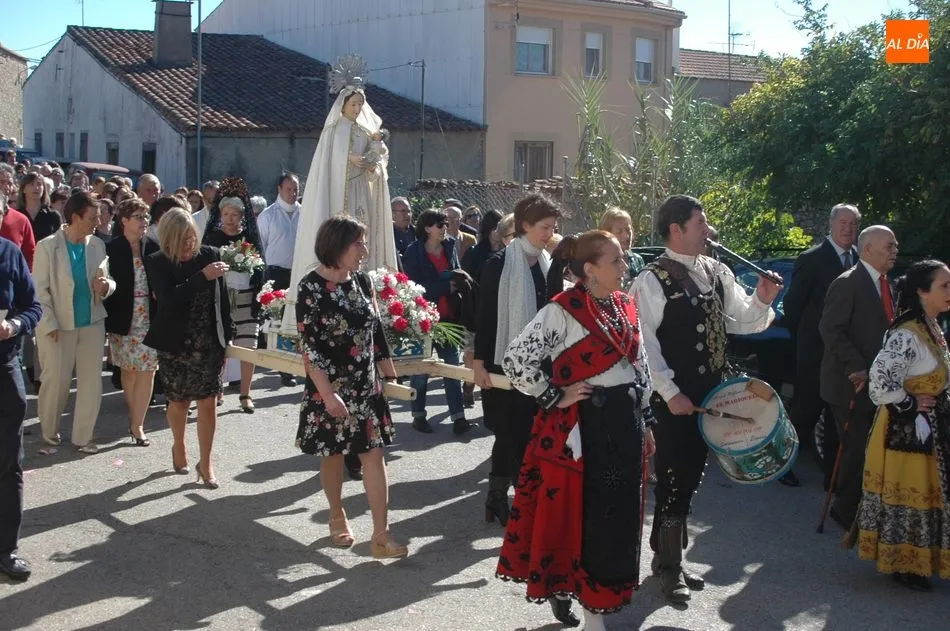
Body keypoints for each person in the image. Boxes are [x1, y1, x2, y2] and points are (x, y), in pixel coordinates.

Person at [498, 231, 656, 631]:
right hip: (584, 430)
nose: (625, 266)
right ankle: (590, 613)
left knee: (619, 519)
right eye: (616, 260)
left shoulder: (624, 305)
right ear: (590, 269)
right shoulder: (562, 310)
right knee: (588, 520)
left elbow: (641, 366)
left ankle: (598, 597)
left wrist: (647, 421)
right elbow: (516, 360)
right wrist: (555, 395)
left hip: (625, 424)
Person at [631, 194, 778, 603]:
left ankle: (667, 557)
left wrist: (763, 298)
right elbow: (643, 345)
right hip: (673, 400)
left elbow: (743, 322)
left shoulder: (716, 270)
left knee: (691, 476)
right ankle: (670, 567)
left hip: (709, 396)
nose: (708, 231)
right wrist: (670, 392)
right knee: (674, 477)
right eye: (700, 223)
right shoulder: (651, 279)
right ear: (675, 229)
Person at [295, 215, 406, 558]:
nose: (364, 251)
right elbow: (309, 347)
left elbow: (375, 331)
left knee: (374, 455)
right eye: (358, 244)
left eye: (364, 243)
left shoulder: (362, 281)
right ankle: (336, 514)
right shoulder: (310, 287)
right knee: (333, 454)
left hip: (365, 385)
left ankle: (381, 534)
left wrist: (389, 374)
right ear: (337, 245)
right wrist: (327, 394)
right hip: (329, 386)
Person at [856, 260, 950, 591]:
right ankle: (905, 563)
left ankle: (921, 560)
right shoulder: (906, 333)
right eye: (944, 286)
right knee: (912, 495)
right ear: (923, 292)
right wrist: (910, 402)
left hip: (929, 428)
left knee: (930, 493)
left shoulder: (931, 326)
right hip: (905, 431)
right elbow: (879, 383)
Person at [286, 76, 398, 330]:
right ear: (343, 105)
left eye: (360, 104)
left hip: (362, 190)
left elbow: (377, 162)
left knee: (363, 235)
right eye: (353, 104)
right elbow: (332, 165)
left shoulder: (365, 130)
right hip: (340, 193)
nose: (357, 109)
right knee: (343, 236)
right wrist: (350, 160)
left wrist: (374, 157)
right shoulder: (334, 130)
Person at [474, 194, 559, 527]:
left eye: (552, 228)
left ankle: (504, 499)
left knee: (527, 435)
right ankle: (510, 502)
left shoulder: (548, 263)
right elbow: (486, 317)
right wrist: (479, 362)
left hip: (540, 364)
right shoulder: (498, 264)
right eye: (544, 227)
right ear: (525, 225)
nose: (549, 234)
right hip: (504, 363)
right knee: (511, 434)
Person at [145, 208, 234, 488]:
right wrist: (201, 277)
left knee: (208, 402)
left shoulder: (210, 254)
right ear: (169, 239)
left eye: (192, 238)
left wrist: (228, 334)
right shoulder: (157, 261)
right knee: (179, 401)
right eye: (182, 239)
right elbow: (168, 298)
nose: (188, 244)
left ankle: (206, 462)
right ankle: (179, 443)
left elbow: (222, 298)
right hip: (175, 343)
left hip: (207, 341)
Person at [818, 225, 898, 530]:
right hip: (850, 383)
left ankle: (857, 505)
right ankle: (845, 509)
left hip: (877, 382)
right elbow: (831, 329)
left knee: (868, 447)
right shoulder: (848, 282)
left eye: (895, 246)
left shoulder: (886, 283)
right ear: (867, 249)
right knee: (856, 448)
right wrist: (855, 366)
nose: (895, 251)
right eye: (889, 246)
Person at [783, 203, 860, 489]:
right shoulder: (812, 258)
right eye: (843, 222)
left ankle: (832, 476)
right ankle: (781, 464)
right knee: (806, 411)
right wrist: (807, 339)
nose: (847, 228)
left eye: (853, 224)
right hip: (814, 351)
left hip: (843, 354)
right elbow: (793, 306)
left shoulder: (858, 259)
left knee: (836, 416)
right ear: (831, 224)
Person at [33, 192, 116, 453]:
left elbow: (108, 279)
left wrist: (106, 287)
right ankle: (49, 435)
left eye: (99, 217)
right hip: (58, 326)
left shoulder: (97, 245)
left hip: (92, 323)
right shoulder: (47, 246)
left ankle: (84, 437)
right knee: (55, 383)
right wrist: (49, 324)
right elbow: (40, 292)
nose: (98, 222)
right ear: (76, 217)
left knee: (91, 384)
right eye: (92, 217)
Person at [0, 197, 42, 581]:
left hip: (5, 367)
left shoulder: (10, 254)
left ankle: (6, 550)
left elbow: (33, 308)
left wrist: (13, 326)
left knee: (10, 461)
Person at [402, 209, 472, 435]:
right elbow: (413, 288)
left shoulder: (450, 245)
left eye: (445, 224)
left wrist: (455, 284)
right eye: (439, 224)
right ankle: (418, 415)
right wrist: (444, 286)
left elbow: (455, 273)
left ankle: (459, 418)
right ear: (426, 228)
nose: (444, 228)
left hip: (449, 318)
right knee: (421, 371)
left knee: (452, 368)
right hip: (423, 320)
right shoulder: (413, 252)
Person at [202, 179, 265, 413]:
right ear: (220, 214)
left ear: (242, 216)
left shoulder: (249, 238)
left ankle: (245, 393)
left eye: (234, 214)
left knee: (248, 346)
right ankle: (217, 388)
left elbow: (260, 267)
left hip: (247, 299)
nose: (229, 219)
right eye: (226, 214)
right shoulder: (212, 239)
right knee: (221, 345)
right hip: (220, 299)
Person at [104, 198, 160, 446]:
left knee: (148, 370)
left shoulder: (153, 246)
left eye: (145, 217)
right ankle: (133, 412)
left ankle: (138, 425)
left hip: (150, 318)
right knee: (128, 370)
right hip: (123, 319)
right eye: (138, 217)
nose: (143, 221)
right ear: (124, 220)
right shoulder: (112, 249)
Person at [258, 173, 301, 387]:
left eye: (295, 190)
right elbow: (261, 246)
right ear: (279, 189)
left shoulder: (305, 213)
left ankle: (299, 363)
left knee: (299, 320)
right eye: (288, 189)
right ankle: (285, 367)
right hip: (277, 274)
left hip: (299, 273)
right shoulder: (268, 216)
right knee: (281, 321)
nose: (292, 194)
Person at [599, 207, 644, 291]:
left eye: (628, 230)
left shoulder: (637, 260)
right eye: (619, 231)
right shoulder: (602, 262)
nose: (626, 236)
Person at [0, 164, 35, 269]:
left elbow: (30, 256)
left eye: (10, 183)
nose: (7, 187)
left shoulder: (21, 220)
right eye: (1, 182)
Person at [16, 172, 61, 243]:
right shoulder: (16, 215)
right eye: (31, 184)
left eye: (39, 184)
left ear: (44, 189)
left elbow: (59, 241)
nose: (36, 188)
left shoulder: (53, 216)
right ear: (24, 189)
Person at [461, 209, 503, 284]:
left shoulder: (508, 251)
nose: (500, 232)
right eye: (496, 228)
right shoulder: (473, 253)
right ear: (488, 229)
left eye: (503, 228)